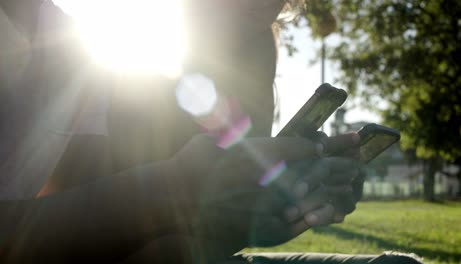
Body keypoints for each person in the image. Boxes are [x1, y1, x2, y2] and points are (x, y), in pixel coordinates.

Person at [0, 1, 422, 263]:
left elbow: (141, 241)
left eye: (267, 16)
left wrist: (251, 216)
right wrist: (172, 192)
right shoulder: (98, 68)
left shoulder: (66, 42)